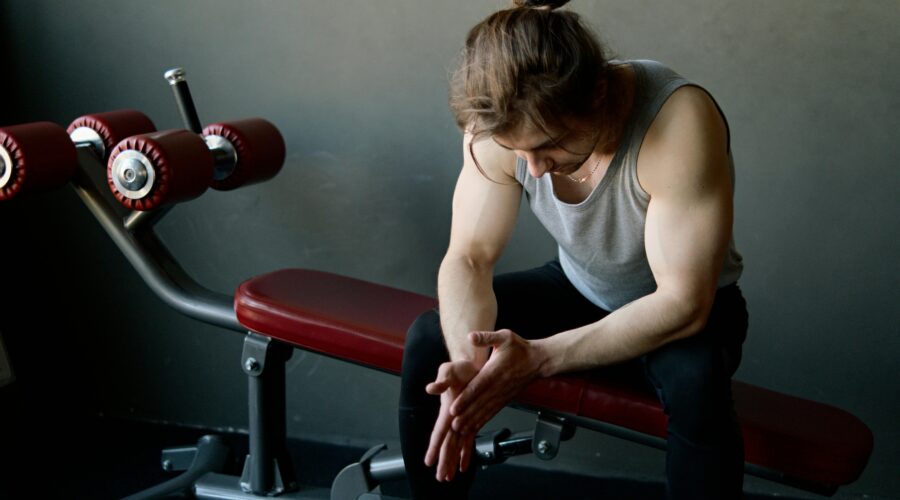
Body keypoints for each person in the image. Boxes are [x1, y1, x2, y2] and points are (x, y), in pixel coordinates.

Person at [398, 1, 748, 498]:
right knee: (432, 338)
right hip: (581, 288)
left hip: (688, 315)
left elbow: (683, 303)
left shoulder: (677, 122)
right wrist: (469, 367)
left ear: (598, 93)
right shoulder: (496, 122)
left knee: (698, 381)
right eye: (520, 154)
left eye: (550, 145)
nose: (534, 169)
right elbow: (469, 257)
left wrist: (537, 358)